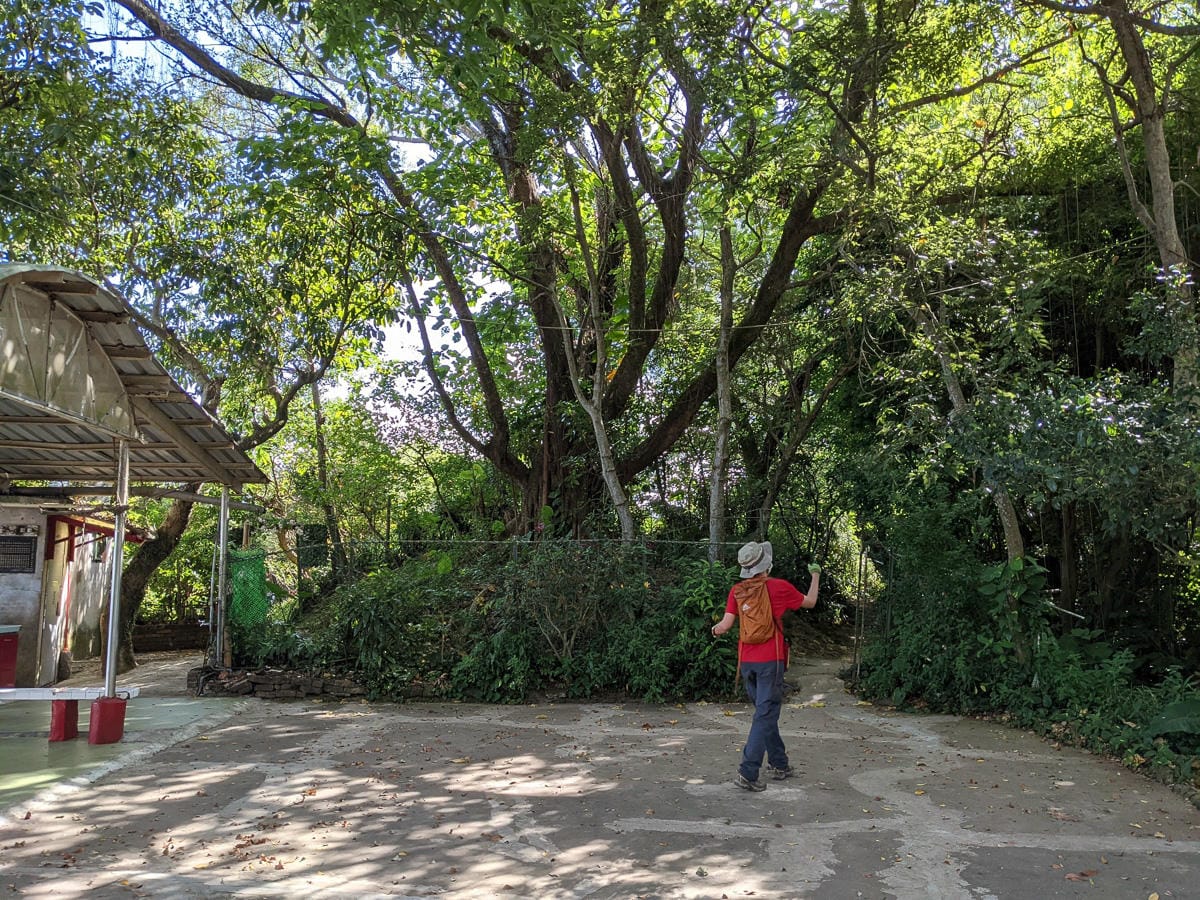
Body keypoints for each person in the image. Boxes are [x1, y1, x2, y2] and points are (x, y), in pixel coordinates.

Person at [711, 540, 819, 792]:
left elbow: (725, 625)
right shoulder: (779, 587)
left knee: (764, 714)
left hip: (746, 662)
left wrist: (715, 629)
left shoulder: (737, 591)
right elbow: (811, 602)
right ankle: (748, 772)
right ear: (765, 566)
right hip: (772, 661)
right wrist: (815, 575)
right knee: (765, 715)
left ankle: (780, 764)